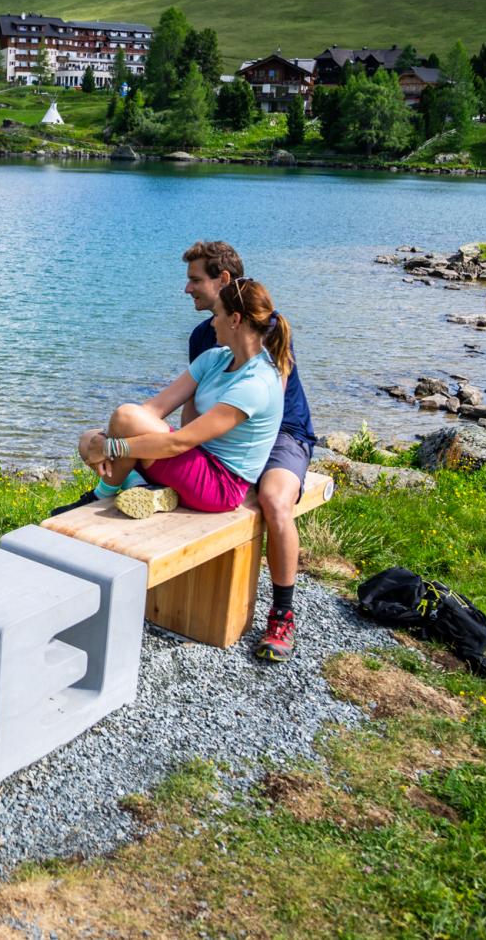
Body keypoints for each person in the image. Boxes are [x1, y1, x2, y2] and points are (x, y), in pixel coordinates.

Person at [181, 240, 316, 664]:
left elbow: (267, 408)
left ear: (223, 280)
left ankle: (282, 614)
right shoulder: (203, 335)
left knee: (274, 499)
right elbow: (196, 399)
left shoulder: (267, 329)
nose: (187, 289)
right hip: (226, 430)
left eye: (195, 280)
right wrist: (182, 443)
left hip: (281, 433)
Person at [72, 278, 289, 527]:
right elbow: (153, 409)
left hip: (221, 485)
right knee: (89, 439)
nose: (212, 322)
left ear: (235, 319)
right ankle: (142, 487)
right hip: (197, 459)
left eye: (217, 315)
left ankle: (100, 496)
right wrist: (107, 438)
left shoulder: (256, 383)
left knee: (123, 419)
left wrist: (111, 447)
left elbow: (180, 442)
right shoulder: (215, 358)